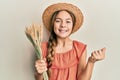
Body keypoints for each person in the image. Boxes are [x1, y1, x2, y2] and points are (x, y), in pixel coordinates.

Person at [34, 3, 106, 80]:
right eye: (58, 21)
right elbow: (39, 79)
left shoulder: (80, 48)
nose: (63, 25)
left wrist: (91, 62)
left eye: (68, 21)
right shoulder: (42, 48)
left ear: (72, 25)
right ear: (53, 24)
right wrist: (39, 73)